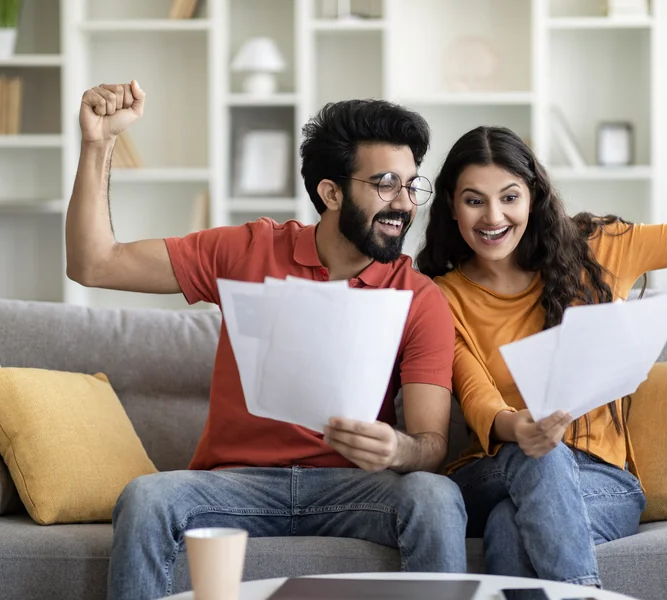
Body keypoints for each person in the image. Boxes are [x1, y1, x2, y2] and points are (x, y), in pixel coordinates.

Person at [66, 81, 467, 599]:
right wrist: (99, 144)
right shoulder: (247, 252)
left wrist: (398, 449)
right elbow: (93, 263)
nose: (405, 203)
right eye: (387, 183)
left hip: (354, 489)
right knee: (146, 498)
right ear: (331, 192)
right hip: (236, 484)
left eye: (412, 186)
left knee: (435, 497)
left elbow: (431, 447)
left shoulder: (419, 297)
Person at [415, 68, 667, 588]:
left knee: (512, 527)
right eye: (474, 200)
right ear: (452, 205)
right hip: (495, 466)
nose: (493, 215)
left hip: (605, 479)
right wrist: (524, 430)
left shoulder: (598, 247)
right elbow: (476, 393)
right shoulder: (445, 295)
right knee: (535, 457)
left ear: (532, 198)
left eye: (509, 197)